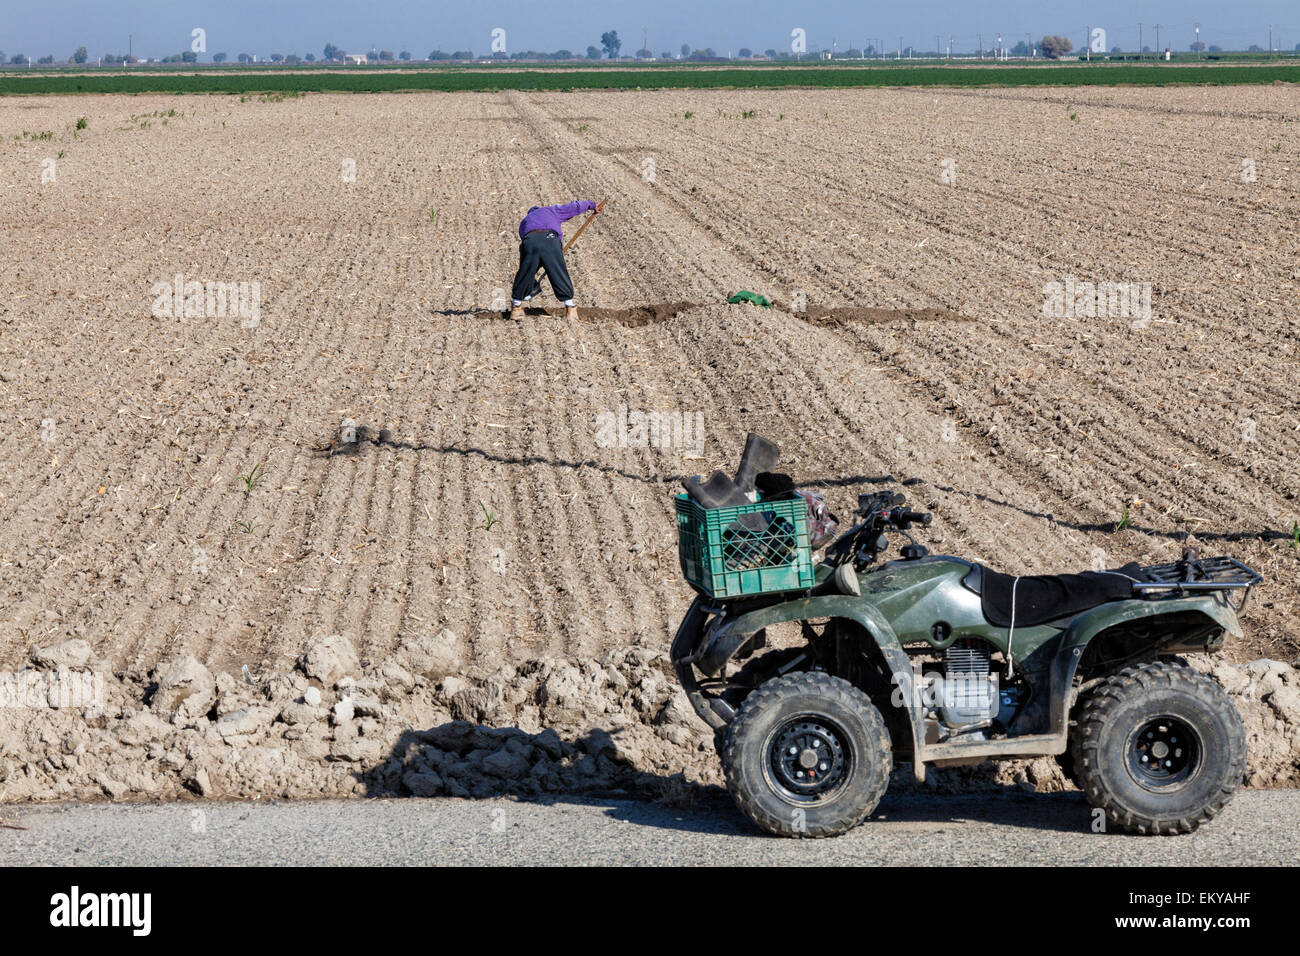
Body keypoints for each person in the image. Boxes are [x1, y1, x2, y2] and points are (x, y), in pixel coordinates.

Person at [508, 199, 598, 319]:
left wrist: (531, 270)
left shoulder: (525, 221)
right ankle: (571, 309)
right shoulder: (550, 211)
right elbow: (573, 207)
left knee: (525, 272)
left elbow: (525, 245)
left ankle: (516, 308)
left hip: (530, 241)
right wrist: (592, 205)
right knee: (558, 272)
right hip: (550, 239)